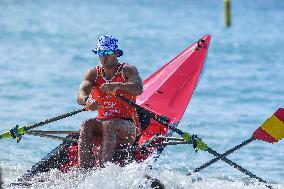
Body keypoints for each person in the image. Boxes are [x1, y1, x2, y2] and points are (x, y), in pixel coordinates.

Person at [77, 35, 143, 169]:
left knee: (109, 125)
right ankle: (83, 169)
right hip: (103, 125)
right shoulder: (93, 73)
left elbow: (138, 88)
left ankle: (103, 169)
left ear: (116, 53)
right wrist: (87, 100)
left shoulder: (127, 70)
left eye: (107, 53)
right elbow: (80, 95)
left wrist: (118, 85)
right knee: (87, 124)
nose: (104, 57)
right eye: (101, 53)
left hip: (128, 127)